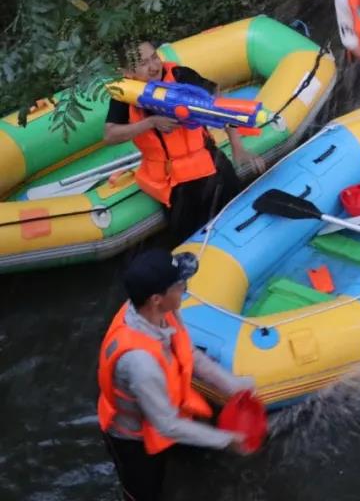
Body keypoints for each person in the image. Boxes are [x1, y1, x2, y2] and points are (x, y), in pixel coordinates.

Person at [98, 248, 254, 501]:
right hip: (134, 440)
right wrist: (226, 440)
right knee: (145, 494)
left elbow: (188, 352)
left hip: (164, 408)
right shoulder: (140, 363)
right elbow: (167, 425)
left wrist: (232, 386)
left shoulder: (159, 311)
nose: (185, 287)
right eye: (180, 284)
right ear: (156, 299)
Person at [104, 41, 264, 246]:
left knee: (239, 223)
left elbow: (220, 104)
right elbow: (110, 135)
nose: (154, 67)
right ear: (127, 72)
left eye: (155, 57)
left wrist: (237, 146)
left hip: (211, 165)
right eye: (143, 63)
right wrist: (150, 123)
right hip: (174, 185)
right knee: (192, 242)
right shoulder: (124, 95)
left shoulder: (181, 76)